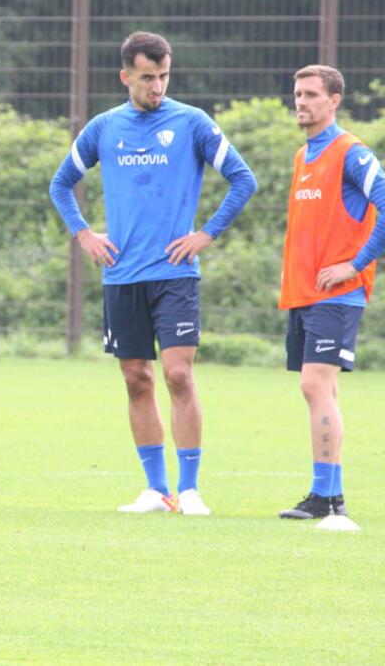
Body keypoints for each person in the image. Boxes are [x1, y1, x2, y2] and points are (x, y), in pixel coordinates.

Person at [48, 31, 258, 515]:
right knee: (136, 379)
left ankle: (189, 490)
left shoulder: (192, 123)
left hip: (176, 274)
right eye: (147, 77)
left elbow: (243, 179)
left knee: (178, 374)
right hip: (121, 276)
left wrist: (206, 233)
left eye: (163, 76)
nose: (157, 86)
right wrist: (84, 234)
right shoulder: (104, 127)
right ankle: (156, 490)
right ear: (126, 76)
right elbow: (62, 183)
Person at [276, 65, 385, 527]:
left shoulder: (350, 152)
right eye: (298, 94)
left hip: (337, 295)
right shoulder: (304, 155)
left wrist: (354, 264)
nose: (301, 101)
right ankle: (331, 496)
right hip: (304, 293)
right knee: (324, 388)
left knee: (314, 385)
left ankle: (325, 497)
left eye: (312, 94)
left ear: (334, 100)